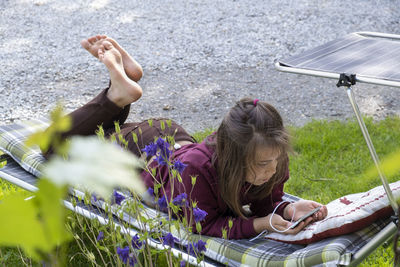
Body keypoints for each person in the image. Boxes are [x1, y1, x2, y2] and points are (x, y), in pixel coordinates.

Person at [43, 35, 327, 239]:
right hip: (141, 151)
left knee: (98, 132)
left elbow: (266, 202)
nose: (272, 170)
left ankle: (119, 91)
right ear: (232, 157)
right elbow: (203, 226)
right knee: (53, 148)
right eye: (263, 164)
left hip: (169, 138)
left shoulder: (271, 155)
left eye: (275, 160)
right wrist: (262, 224)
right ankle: (116, 95)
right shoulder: (197, 172)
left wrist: (288, 209)